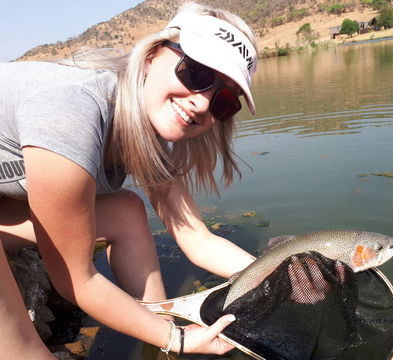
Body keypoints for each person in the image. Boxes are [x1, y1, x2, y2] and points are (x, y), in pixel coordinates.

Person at [0, 2, 258, 358]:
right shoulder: (72, 111)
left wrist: (284, 274)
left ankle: (156, 329)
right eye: (196, 74)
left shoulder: (143, 135)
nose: (202, 103)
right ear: (152, 56)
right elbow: (75, 279)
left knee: (126, 211)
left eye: (224, 101)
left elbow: (198, 238)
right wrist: (180, 339)